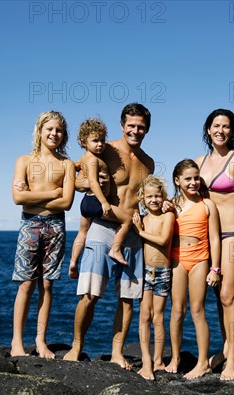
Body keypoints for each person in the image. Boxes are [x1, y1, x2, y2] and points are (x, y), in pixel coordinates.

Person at [63, 103, 154, 370]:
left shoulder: (148, 162)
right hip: (102, 226)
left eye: (141, 127)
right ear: (122, 125)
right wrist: (82, 184)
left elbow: (144, 198)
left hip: (131, 234)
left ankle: (117, 352)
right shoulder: (107, 149)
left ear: (147, 129)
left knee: (127, 298)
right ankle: (76, 346)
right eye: (131, 125)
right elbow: (76, 172)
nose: (135, 130)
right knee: (90, 294)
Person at [10, 111, 76, 358]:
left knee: (47, 284)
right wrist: (52, 193)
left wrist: (34, 196)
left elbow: (67, 203)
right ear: (39, 131)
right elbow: (19, 199)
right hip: (30, 226)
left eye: (58, 130)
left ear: (64, 135)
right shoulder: (24, 161)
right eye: (49, 129)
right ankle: (17, 342)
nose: (54, 134)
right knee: (26, 284)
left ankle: (40, 341)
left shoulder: (67, 165)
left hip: (55, 226)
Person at [195, 109, 234, 381]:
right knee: (217, 298)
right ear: (208, 130)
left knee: (228, 295)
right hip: (205, 239)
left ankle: (232, 360)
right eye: (216, 125)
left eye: (226, 126)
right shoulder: (199, 162)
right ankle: (224, 349)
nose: (221, 130)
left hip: (230, 236)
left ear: (233, 131)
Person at [165, 159, 221, 380]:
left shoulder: (208, 205)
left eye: (196, 178)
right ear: (177, 181)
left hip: (200, 261)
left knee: (198, 311)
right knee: (177, 311)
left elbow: (215, 238)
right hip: (177, 260)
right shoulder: (171, 205)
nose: (193, 182)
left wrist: (214, 269)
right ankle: (175, 358)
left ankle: (202, 363)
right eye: (188, 179)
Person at [69, 118, 133, 279]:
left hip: (86, 202)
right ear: (83, 142)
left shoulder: (84, 157)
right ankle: (116, 249)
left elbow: (74, 166)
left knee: (82, 232)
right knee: (127, 220)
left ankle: (73, 261)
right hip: (96, 202)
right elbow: (92, 181)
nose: (100, 144)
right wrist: (104, 202)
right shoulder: (93, 160)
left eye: (102, 140)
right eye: (95, 141)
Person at [132, 175, 175, 380]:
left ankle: (158, 360)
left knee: (158, 317)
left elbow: (163, 239)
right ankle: (146, 362)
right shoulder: (142, 218)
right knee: (144, 317)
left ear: (163, 197)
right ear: (142, 198)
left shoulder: (168, 217)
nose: (154, 200)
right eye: (149, 196)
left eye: (158, 196)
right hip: (145, 271)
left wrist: (140, 232)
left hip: (162, 271)